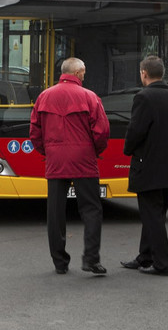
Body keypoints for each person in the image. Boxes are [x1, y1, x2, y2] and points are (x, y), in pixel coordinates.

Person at [29, 56, 110, 276]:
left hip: (56, 161)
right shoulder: (90, 97)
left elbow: (35, 132)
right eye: (83, 71)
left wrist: (49, 151)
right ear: (78, 73)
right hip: (84, 161)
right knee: (91, 209)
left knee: (55, 212)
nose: (84, 75)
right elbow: (102, 131)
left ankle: (60, 262)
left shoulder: (44, 97)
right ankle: (91, 258)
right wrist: (94, 151)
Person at [121, 55, 168, 276]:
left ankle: (162, 264)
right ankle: (145, 256)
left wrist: (128, 149)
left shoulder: (144, 97)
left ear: (144, 74)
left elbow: (135, 131)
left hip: (147, 167)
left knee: (152, 217)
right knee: (155, 215)